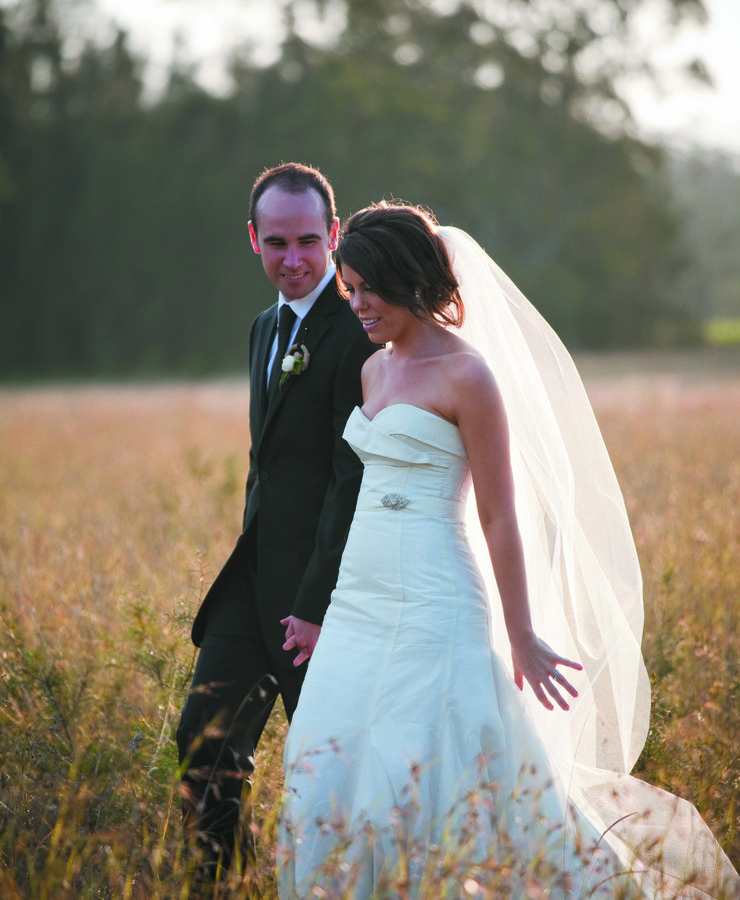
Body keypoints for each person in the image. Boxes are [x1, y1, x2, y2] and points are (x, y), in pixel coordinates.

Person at [278, 202, 740, 899]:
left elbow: (498, 514)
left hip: (437, 598)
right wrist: (323, 602)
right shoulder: (374, 371)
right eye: (350, 286)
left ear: (411, 281)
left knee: (430, 767)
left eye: (370, 286)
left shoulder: (470, 376)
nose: (359, 303)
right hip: (358, 603)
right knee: (330, 763)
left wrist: (521, 632)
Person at [175, 163, 377, 882]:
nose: (293, 259)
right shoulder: (264, 328)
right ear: (254, 239)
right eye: (278, 243)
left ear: (334, 237)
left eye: (309, 242)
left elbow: (350, 479)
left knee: (329, 763)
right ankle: (223, 882)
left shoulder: (360, 330)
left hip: (322, 597)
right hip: (250, 578)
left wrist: (316, 602)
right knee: (203, 741)